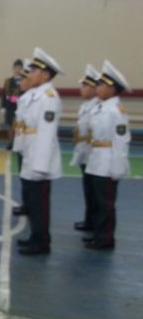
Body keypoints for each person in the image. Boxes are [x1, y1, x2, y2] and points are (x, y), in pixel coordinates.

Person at [18, 48, 63, 255]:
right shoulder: (37, 95)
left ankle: (42, 242)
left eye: (34, 71)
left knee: (40, 203)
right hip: (31, 152)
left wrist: (41, 165)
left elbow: (46, 133)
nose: (30, 74)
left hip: (39, 157)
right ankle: (35, 237)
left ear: (45, 75)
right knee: (33, 202)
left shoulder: (48, 97)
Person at [83, 61, 131, 250]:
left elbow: (121, 142)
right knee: (97, 201)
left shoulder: (116, 111)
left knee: (106, 203)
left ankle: (106, 238)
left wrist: (117, 168)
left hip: (108, 162)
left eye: (101, 85)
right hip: (96, 159)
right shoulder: (100, 107)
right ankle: (98, 234)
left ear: (111, 89)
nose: (98, 87)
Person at [70, 65, 101, 232]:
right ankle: (89, 220)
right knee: (88, 190)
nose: (81, 88)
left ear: (95, 88)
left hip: (93, 154)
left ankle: (95, 223)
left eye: (85, 85)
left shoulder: (97, 107)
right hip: (84, 152)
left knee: (95, 192)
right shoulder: (86, 106)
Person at [11, 61, 34, 217]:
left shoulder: (33, 98)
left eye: (23, 80)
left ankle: (29, 205)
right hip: (22, 141)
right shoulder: (24, 97)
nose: (20, 83)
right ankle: (26, 203)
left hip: (29, 143)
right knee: (23, 175)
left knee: (29, 177)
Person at [1, 59, 24, 149]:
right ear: (13, 69)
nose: (17, 70)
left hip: (21, 107)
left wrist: (14, 99)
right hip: (10, 106)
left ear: (22, 69)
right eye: (15, 68)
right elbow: (4, 94)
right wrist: (3, 107)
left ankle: (19, 142)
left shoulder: (25, 81)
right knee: (10, 125)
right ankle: (11, 142)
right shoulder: (8, 81)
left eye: (19, 68)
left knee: (19, 125)